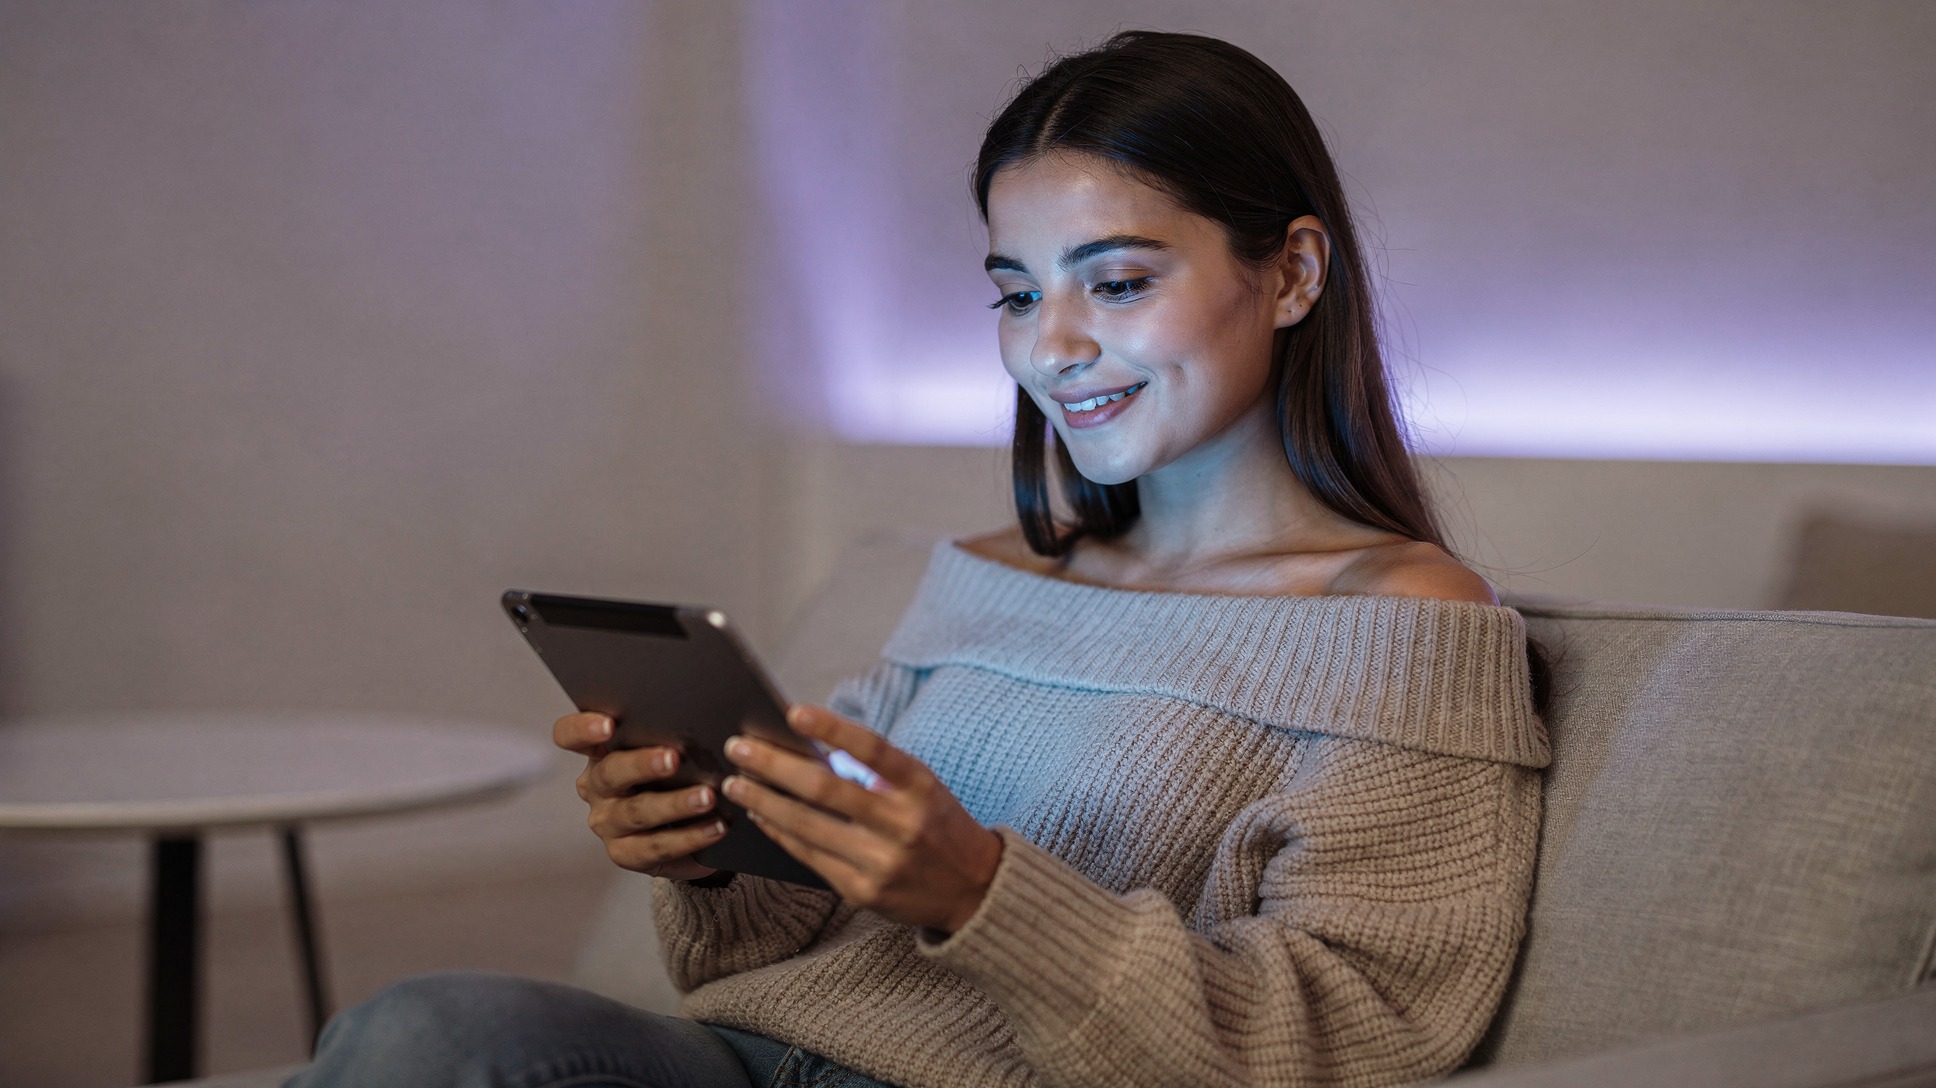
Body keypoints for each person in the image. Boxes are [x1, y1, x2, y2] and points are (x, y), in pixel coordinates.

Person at [292, 29, 1549, 1088]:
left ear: (1291, 273)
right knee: (419, 1030)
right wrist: (711, 848)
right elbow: (760, 948)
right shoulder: (988, 573)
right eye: (1015, 292)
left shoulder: (1402, 619)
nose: (1051, 345)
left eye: (1115, 282)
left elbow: (1347, 1038)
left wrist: (980, 891)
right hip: (761, 1048)